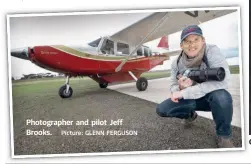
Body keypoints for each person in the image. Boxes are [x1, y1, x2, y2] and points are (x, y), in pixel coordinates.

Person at [156, 25, 234, 148]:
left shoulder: (212, 51)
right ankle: (190, 115)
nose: (191, 45)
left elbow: (223, 81)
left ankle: (224, 136)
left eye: (196, 40)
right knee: (162, 109)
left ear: (203, 41)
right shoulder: (176, 62)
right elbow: (172, 85)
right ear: (181, 45)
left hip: (210, 99)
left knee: (222, 97)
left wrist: (184, 93)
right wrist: (180, 88)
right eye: (187, 41)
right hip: (191, 99)